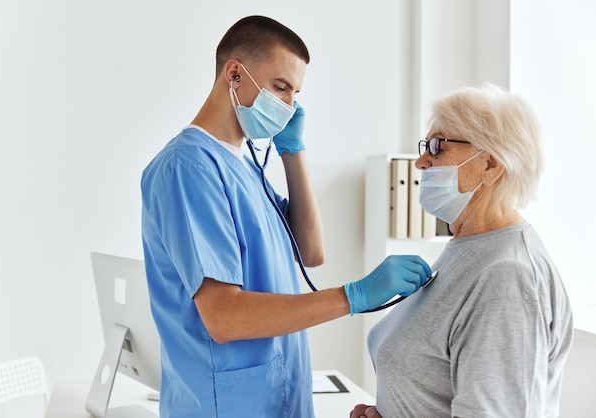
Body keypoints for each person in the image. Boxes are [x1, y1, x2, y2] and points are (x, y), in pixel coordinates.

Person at [141, 15, 432, 418]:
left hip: (278, 398)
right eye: (279, 87)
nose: (287, 105)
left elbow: (311, 251)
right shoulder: (189, 168)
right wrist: (354, 296)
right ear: (235, 74)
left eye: (295, 94)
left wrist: (292, 151)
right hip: (224, 406)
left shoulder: (246, 169)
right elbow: (223, 317)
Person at [350, 84, 574, 418]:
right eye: (425, 146)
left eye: (437, 146)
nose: (420, 162)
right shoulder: (467, 247)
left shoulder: (508, 276)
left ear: (491, 164)